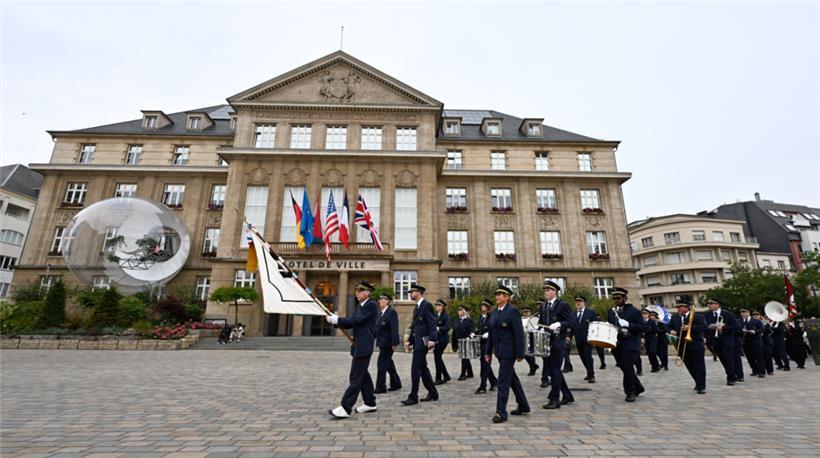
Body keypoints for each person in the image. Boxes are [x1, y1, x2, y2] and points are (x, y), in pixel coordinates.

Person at [326, 281, 379, 418]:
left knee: (356, 376)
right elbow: (352, 323)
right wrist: (335, 322)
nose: (357, 293)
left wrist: (338, 320)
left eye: (360, 291)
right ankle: (370, 403)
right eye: (356, 291)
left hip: (364, 345)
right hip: (358, 344)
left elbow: (356, 320)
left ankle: (346, 407)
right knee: (363, 374)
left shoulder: (371, 305)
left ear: (367, 293)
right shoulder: (360, 306)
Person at [485, 284, 530, 423]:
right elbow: (491, 333)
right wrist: (488, 351)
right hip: (499, 351)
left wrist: (520, 353)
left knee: (503, 380)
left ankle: (501, 412)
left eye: (500, 295)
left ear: (507, 297)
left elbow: (518, 333)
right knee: (512, 379)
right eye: (497, 294)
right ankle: (523, 405)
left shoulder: (512, 311)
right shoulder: (495, 312)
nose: (497, 297)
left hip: (509, 352)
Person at [540, 280, 577, 409]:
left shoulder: (562, 305)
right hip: (547, 342)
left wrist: (560, 324)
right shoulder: (543, 306)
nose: (545, 293)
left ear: (554, 291)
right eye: (545, 290)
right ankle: (567, 395)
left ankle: (554, 399)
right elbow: (541, 322)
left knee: (555, 370)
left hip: (558, 341)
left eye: (548, 290)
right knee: (553, 370)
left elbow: (572, 322)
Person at [401, 284, 439, 405]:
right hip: (418, 341)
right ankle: (433, 393)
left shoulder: (426, 305)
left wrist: (433, 339)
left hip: (423, 342)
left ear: (418, 292)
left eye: (411, 292)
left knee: (415, 369)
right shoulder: (417, 307)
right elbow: (415, 327)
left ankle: (413, 396)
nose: (410, 294)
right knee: (423, 369)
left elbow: (432, 323)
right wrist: (410, 340)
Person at [607, 287, 645, 402]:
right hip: (617, 344)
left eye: (618, 298)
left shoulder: (634, 311)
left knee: (628, 366)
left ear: (625, 298)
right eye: (614, 298)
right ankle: (638, 387)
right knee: (624, 368)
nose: (616, 300)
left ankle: (630, 392)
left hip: (631, 343)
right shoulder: (611, 312)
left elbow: (643, 327)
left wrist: (629, 325)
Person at [669, 301, 707, 394]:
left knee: (699, 365)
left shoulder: (698, 316)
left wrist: (690, 327)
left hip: (696, 344)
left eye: (680, 307)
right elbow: (668, 327)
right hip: (682, 345)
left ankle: (702, 386)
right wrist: (671, 331)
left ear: (687, 307)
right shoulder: (674, 317)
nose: (678, 309)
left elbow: (704, 327)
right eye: (677, 307)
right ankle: (697, 382)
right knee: (689, 365)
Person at [704, 298, 739, 385]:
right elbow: (705, 326)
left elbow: (736, 327)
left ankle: (731, 378)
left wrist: (723, 327)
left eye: (712, 304)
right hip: (715, 340)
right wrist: (711, 327)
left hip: (727, 340)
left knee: (728, 359)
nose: (710, 305)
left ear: (718, 305)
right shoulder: (707, 315)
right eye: (709, 304)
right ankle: (732, 374)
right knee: (723, 359)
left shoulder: (728, 314)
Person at [374, 292, 402, 394]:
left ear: (387, 301)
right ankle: (396, 383)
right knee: (388, 363)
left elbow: (394, 328)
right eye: (379, 299)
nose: (379, 301)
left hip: (388, 343)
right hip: (382, 342)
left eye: (382, 299)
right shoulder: (381, 313)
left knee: (381, 364)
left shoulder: (391, 312)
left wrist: (394, 343)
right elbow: (378, 329)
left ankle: (381, 386)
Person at [572, 294, 598, 383]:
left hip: (588, 340)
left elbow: (595, 325)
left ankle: (591, 375)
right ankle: (589, 372)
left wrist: (594, 337)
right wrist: (568, 336)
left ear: (584, 303)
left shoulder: (590, 313)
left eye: (580, 301)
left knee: (588, 356)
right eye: (577, 301)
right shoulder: (573, 314)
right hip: (578, 339)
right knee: (582, 357)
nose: (578, 303)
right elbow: (571, 327)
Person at [475, 300, 498, 394]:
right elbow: (478, 328)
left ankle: (483, 386)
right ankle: (494, 382)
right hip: (482, 342)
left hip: (489, 343)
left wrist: (489, 334)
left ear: (488, 307)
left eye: (484, 305)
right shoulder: (481, 317)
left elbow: (495, 328)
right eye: (481, 305)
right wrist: (474, 333)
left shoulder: (492, 316)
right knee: (485, 364)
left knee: (484, 365)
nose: (482, 307)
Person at [740, 309, 765, 378]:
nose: (743, 314)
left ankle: (761, 371)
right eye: (742, 312)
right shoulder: (740, 321)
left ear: (748, 313)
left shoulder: (756, 321)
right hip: (746, 342)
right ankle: (754, 370)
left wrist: (754, 331)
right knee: (749, 357)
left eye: (744, 312)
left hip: (756, 341)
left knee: (759, 357)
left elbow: (762, 329)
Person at [453, 305, 475, 380]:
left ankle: (463, 374)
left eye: (460, 310)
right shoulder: (457, 320)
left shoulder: (469, 320)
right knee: (465, 357)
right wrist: (454, 344)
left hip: (466, 341)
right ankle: (470, 373)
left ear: (464, 311)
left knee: (464, 358)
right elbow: (454, 333)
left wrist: (469, 338)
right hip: (459, 342)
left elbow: (472, 331)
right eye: (458, 310)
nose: (459, 312)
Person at [433, 299, 452, 385]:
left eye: (438, 305)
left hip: (443, 339)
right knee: (438, 358)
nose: (436, 307)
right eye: (436, 305)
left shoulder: (445, 316)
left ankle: (439, 378)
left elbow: (447, 328)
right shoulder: (435, 315)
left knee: (437, 357)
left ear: (442, 307)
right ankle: (446, 375)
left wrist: (438, 328)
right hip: (436, 339)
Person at [520, 307, 540, 376]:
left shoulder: (534, 319)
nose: (526, 313)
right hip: (523, 337)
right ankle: (534, 365)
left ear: (530, 312)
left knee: (530, 354)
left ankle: (532, 369)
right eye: (524, 312)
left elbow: (536, 328)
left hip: (531, 337)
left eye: (527, 312)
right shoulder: (520, 319)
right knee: (524, 354)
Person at [758, 312, 775, 376]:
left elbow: (769, 331)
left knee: (768, 357)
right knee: (760, 358)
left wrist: (764, 326)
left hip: (766, 342)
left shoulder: (765, 323)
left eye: (757, 316)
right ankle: (761, 370)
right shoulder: (755, 323)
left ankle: (770, 370)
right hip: (759, 342)